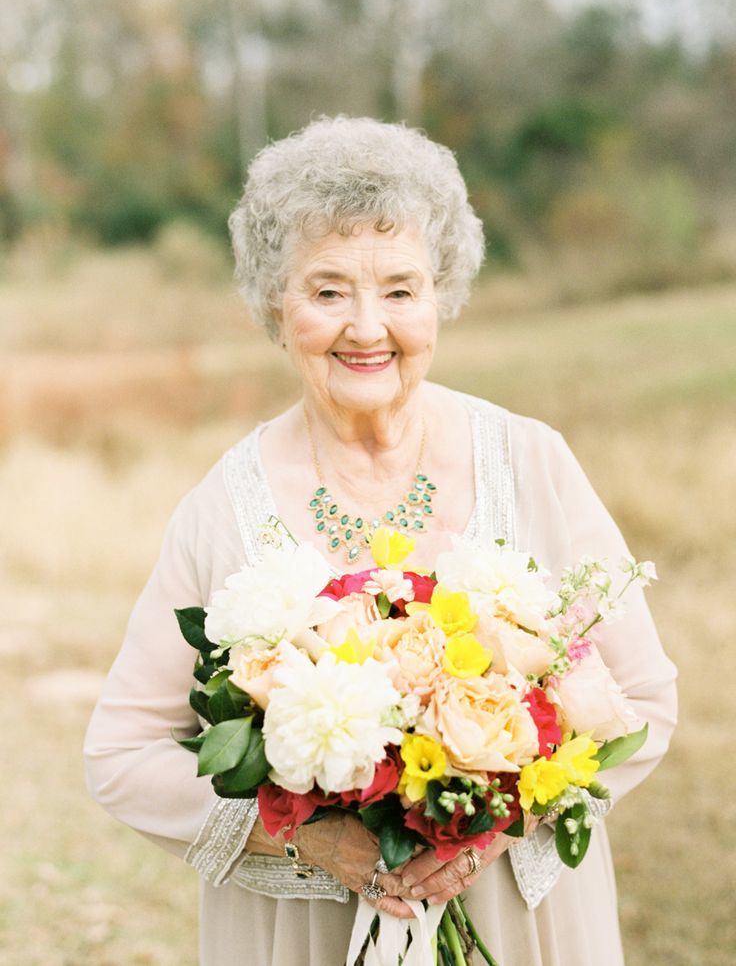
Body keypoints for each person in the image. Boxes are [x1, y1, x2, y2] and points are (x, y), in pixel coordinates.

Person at [84, 116, 677, 966]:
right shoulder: (222, 507)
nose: (368, 327)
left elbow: (644, 702)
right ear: (273, 306)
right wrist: (310, 838)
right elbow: (120, 754)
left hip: (516, 922)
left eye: (400, 289)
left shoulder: (532, 459)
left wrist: (496, 827)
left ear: (441, 296)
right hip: (305, 937)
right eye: (327, 292)